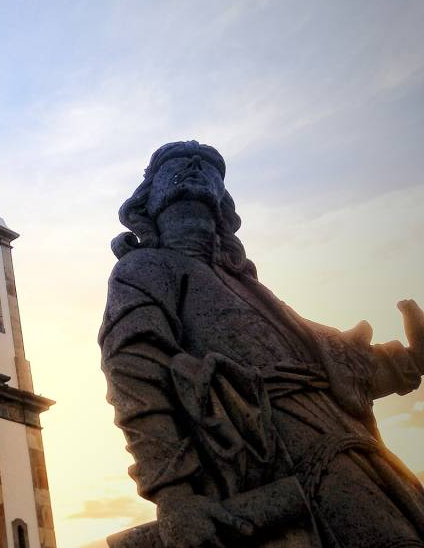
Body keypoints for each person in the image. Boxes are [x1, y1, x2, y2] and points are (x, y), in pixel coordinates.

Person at [99, 141, 424, 547]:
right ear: (151, 194)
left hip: (343, 443)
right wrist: (174, 495)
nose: (197, 169)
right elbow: (135, 370)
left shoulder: (250, 288)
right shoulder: (142, 270)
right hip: (270, 453)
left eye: (210, 167)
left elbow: (329, 362)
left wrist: (412, 360)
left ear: (223, 200)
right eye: (178, 164)